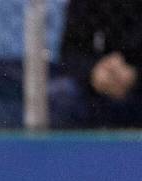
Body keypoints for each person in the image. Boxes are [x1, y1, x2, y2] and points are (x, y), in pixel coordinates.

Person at [52, 0, 142, 128]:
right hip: (96, 88)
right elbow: (69, 52)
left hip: (137, 88)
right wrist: (93, 72)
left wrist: (135, 75)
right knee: (61, 95)